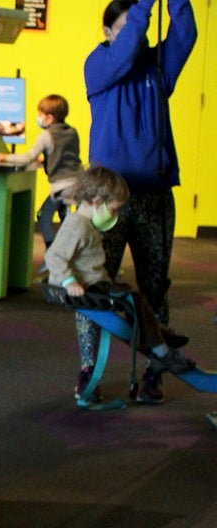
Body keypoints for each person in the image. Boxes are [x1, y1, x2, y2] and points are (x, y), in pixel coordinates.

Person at [83, 0, 197, 403]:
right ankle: (88, 368)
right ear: (109, 33)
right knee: (94, 283)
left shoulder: (155, 70)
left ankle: (156, 371)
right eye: (125, 25)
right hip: (105, 198)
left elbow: (185, 34)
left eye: (139, 23)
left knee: (155, 287)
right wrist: (147, 0)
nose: (136, 31)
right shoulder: (99, 65)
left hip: (151, 196)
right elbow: (129, 46)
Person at [44, 166, 194, 405]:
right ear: (97, 201)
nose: (115, 215)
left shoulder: (85, 224)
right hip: (89, 286)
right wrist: (69, 280)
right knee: (136, 300)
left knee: (136, 300)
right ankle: (162, 347)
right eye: (114, 209)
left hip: (97, 281)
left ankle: (159, 336)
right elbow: (53, 257)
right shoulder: (76, 225)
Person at [0, 94, 82, 254]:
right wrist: (48, 158)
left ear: (49, 118)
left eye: (40, 115)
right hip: (78, 183)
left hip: (61, 187)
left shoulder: (46, 135)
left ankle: (53, 251)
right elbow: (67, 154)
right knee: (67, 222)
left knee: (43, 217)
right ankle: (66, 253)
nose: (38, 119)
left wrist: (4, 157)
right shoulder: (72, 132)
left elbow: (27, 158)